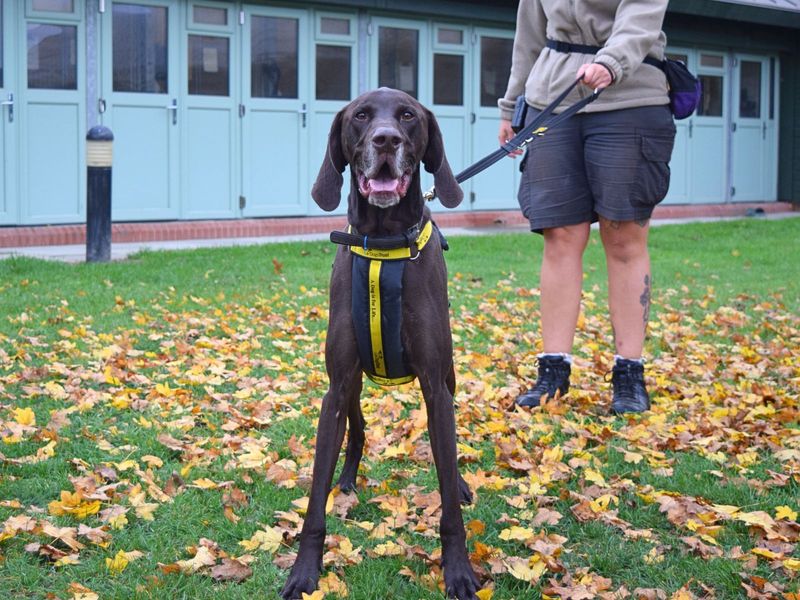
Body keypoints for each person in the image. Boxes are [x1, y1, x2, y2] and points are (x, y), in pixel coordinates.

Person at [497, 0, 676, 414]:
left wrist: (612, 62)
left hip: (629, 98)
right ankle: (553, 372)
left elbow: (641, 16)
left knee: (624, 236)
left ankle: (629, 373)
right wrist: (512, 104)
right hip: (552, 100)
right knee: (559, 235)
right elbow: (529, 33)